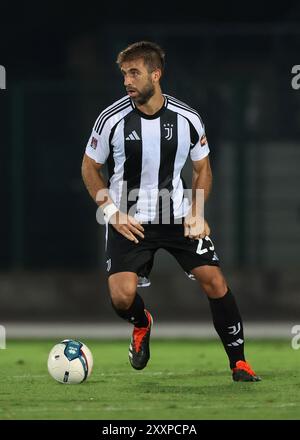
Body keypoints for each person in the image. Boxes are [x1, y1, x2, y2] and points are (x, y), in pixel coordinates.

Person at [81, 41, 261, 382]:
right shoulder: (111, 119)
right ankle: (141, 322)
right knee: (122, 297)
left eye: (134, 73)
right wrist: (111, 211)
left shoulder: (187, 118)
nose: (127, 81)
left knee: (215, 281)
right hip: (128, 219)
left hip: (176, 216)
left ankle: (239, 362)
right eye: (124, 74)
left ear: (156, 74)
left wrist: (196, 211)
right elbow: (90, 168)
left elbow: (202, 169)